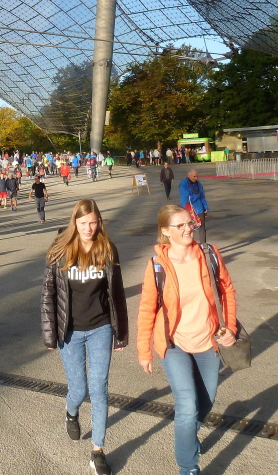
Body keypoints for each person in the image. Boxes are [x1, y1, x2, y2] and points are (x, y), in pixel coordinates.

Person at [137, 204, 237, 475]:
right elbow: (147, 309)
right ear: (165, 231)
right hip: (174, 344)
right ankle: (188, 467)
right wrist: (144, 350)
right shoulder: (157, 265)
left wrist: (229, 327)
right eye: (179, 225)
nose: (187, 229)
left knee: (206, 402)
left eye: (189, 223)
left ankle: (188, 439)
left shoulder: (209, 254)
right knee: (187, 405)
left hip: (208, 341)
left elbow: (227, 290)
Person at [40, 199, 128, 475]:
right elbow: (48, 294)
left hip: (101, 328)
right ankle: (71, 412)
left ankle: (98, 451)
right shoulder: (60, 250)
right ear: (74, 223)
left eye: (92, 222)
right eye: (83, 223)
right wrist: (49, 334)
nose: (88, 228)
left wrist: (121, 334)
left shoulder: (107, 249)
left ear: (99, 222)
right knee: (79, 389)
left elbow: (117, 293)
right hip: (70, 331)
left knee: (99, 389)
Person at [179, 170, 208, 244]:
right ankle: (191, 245)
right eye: (194, 176)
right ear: (189, 176)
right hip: (189, 210)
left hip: (199, 208)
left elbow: (202, 196)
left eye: (197, 176)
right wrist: (197, 196)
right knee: (189, 229)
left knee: (202, 228)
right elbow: (186, 199)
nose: (196, 178)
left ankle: (203, 245)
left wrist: (205, 207)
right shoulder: (183, 184)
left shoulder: (199, 184)